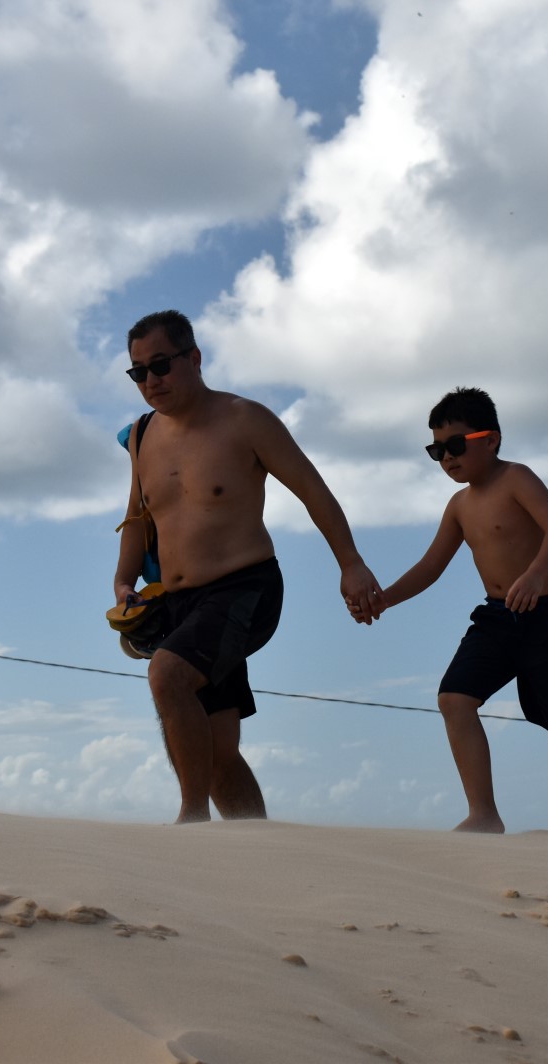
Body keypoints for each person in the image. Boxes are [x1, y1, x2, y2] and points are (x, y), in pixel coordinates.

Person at [114, 310, 382, 824]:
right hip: (180, 603)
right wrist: (125, 580)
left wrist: (351, 564)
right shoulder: (143, 435)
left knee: (167, 675)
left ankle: (190, 821)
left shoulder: (244, 419)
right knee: (214, 751)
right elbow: (136, 516)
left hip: (246, 588)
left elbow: (313, 491)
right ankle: (257, 847)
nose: (151, 381)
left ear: (193, 358)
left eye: (162, 365)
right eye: (139, 372)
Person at [367, 387, 548, 837]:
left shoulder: (517, 478)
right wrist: (385, 598)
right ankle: (484, 813)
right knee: (454, 700)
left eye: (457, 445)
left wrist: (538, 573)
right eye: (437, 450)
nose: (447, 457)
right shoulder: (459, 505)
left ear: (492, 440)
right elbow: (431, 565)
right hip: (498, 617)